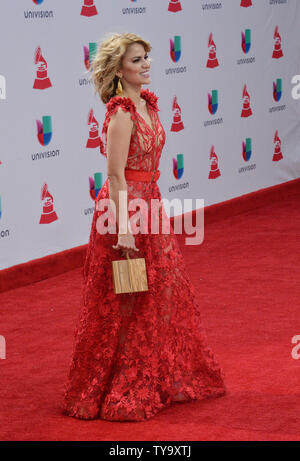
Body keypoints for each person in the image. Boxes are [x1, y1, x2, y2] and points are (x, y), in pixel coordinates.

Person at [62, 32, 226, 421]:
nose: (146, 65)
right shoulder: (121, 113)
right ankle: (115, 383)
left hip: (150, 204)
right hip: (123, 211)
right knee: (124, 296)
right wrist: (123, 229)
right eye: (137, 61)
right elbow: (116, 176)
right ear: (119, 70)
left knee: (160, 291)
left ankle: (149, 373)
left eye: (146, 58)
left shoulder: (148, 105)